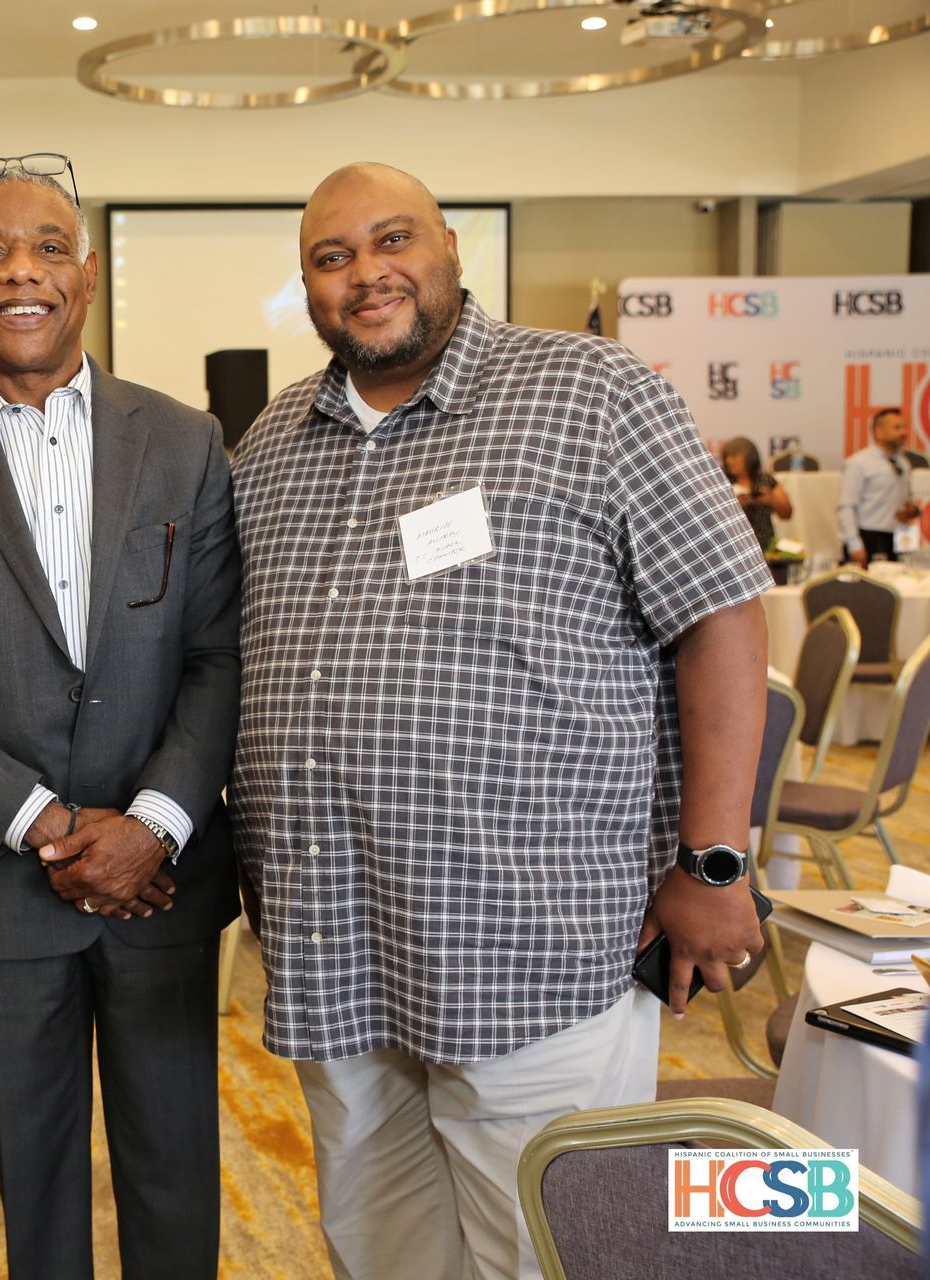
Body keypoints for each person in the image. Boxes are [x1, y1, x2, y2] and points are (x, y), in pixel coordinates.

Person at [229, 162, 772, 1280]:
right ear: (306, 286)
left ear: (451, 248)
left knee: (545, 1249)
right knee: (379, 1246)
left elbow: (720, 615)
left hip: (532, 946)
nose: (366, 274)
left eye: (392, 241)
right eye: (331, 258)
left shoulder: (591, 392)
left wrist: (713, 864)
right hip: (338, 945)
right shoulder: (270, 445)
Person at [0, 155, 239, 1280]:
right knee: (36, 1183)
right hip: (1, 893)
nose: (20, 272)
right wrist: (49, 825)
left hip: (163, 881)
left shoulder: (186, 441)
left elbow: (219, 653)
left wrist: (152, 822)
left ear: (91, 273)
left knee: (175, 1172)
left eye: (47, 248)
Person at [838, 407, 920, 565]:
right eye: (897, 428)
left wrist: (913, 510)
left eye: (904, 427)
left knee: (903, 584)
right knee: (868, 588)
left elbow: (907, 499)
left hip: (900, 535)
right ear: (879, 432)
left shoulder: (903, 462)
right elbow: (846, 506)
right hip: (870, 535)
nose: (903, 432)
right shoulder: (858, 463)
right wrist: (854, 544)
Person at [719, 436, 792, 550]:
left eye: (734, 456)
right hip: (734, 545)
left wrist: (772, 500)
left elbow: (787, 514)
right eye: (726, 457)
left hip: (766, 545)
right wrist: (733, 506)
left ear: (749, 457)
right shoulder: (722, 482)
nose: (729, 461)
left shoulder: (765, 480)